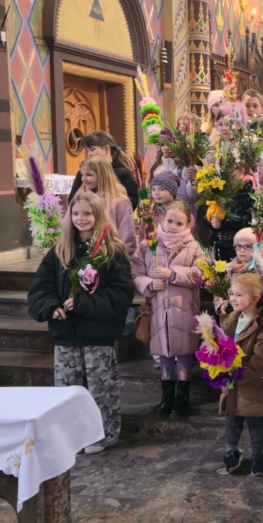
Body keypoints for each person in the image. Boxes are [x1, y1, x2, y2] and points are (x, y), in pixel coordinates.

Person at [27, 192, 134, 454]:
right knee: (67, 392)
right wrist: (51, 307)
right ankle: (71, 437)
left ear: (98, 215)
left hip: (98, 335)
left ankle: (99, 435)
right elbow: (40, 288)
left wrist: (84, 304)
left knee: (98, 390)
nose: (81, 218)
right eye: (75, 213)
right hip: (66, 336)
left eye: (87, 213)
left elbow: (121, 294)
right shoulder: (60, 250)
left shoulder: (112, 252)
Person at [131, 201, 206, 419]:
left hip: (183, 310)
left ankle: (183, 396)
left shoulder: (193, 247)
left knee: (183, 352)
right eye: (170, 221)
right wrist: (149, 284)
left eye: (179, 223)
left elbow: (201, 272)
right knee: (163, 352)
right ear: (162, 220)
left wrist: (173, 274)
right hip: (158, 310)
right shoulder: (148, 245)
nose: (173, 227)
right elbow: (136, 272)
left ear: (188, 225)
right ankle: (167, 395)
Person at [220, 273, 263, 477]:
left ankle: (258, 455)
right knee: (232, 421)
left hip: (253, 384)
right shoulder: (231, 320)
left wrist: (237, 374)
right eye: (231, 294)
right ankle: (231, 452)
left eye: (239, 295)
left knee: (255, 423)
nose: (232, 299)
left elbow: (261, 361)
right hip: (231, 383)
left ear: (255, 298)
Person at [79, 156, 136, 255]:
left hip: (112, 256)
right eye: (82, 175)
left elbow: (127, 235)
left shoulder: (120, 201)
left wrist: (121, 256)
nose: (83, 179)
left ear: (102, 175)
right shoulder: (80, 198)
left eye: (89, 175)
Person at [68, 131, 139, 209]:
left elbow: (132, 202)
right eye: (87, 151)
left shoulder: (122, 173)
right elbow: (72, 201)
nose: (89, 154)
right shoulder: (82, 173)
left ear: (107, 149)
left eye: (92, 150)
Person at [213, 228, 263, 316]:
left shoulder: (261, 270)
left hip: (251, 315)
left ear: (257, 248)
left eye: (248, 246)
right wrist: (222, 306)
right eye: (239, 246)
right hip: (229, 315)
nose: (242, 250)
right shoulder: (229, 268)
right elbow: (219, 292)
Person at [141, 172, 179, 242]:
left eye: (162, 189)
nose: (156, 193)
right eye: (153, 189)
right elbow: (142, 236)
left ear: (172, 191)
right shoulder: (149, 213)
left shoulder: (181, 213)